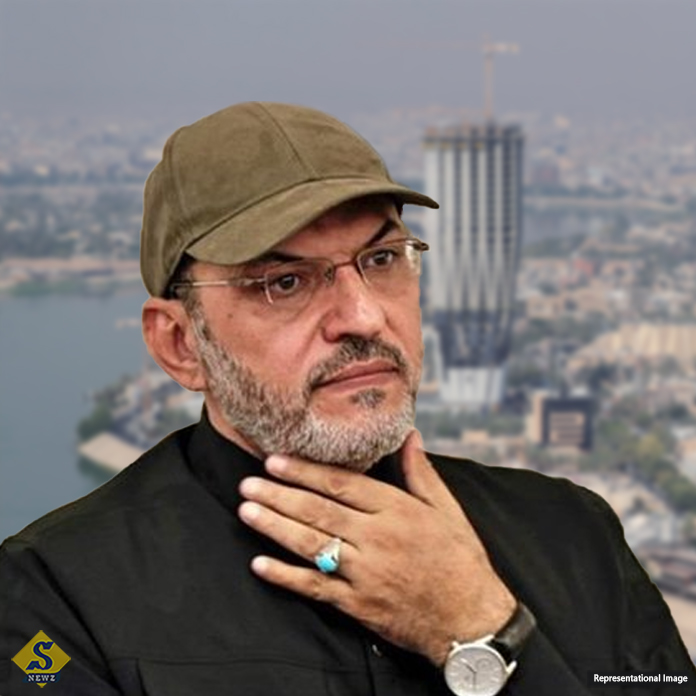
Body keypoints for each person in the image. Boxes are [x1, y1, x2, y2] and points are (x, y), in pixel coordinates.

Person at [0, 102, 693, 696]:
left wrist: (485, 630)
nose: (363, 316)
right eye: (284, 282)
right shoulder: (56, 597)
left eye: (382, 259)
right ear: (181, 344)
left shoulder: (575, 535)